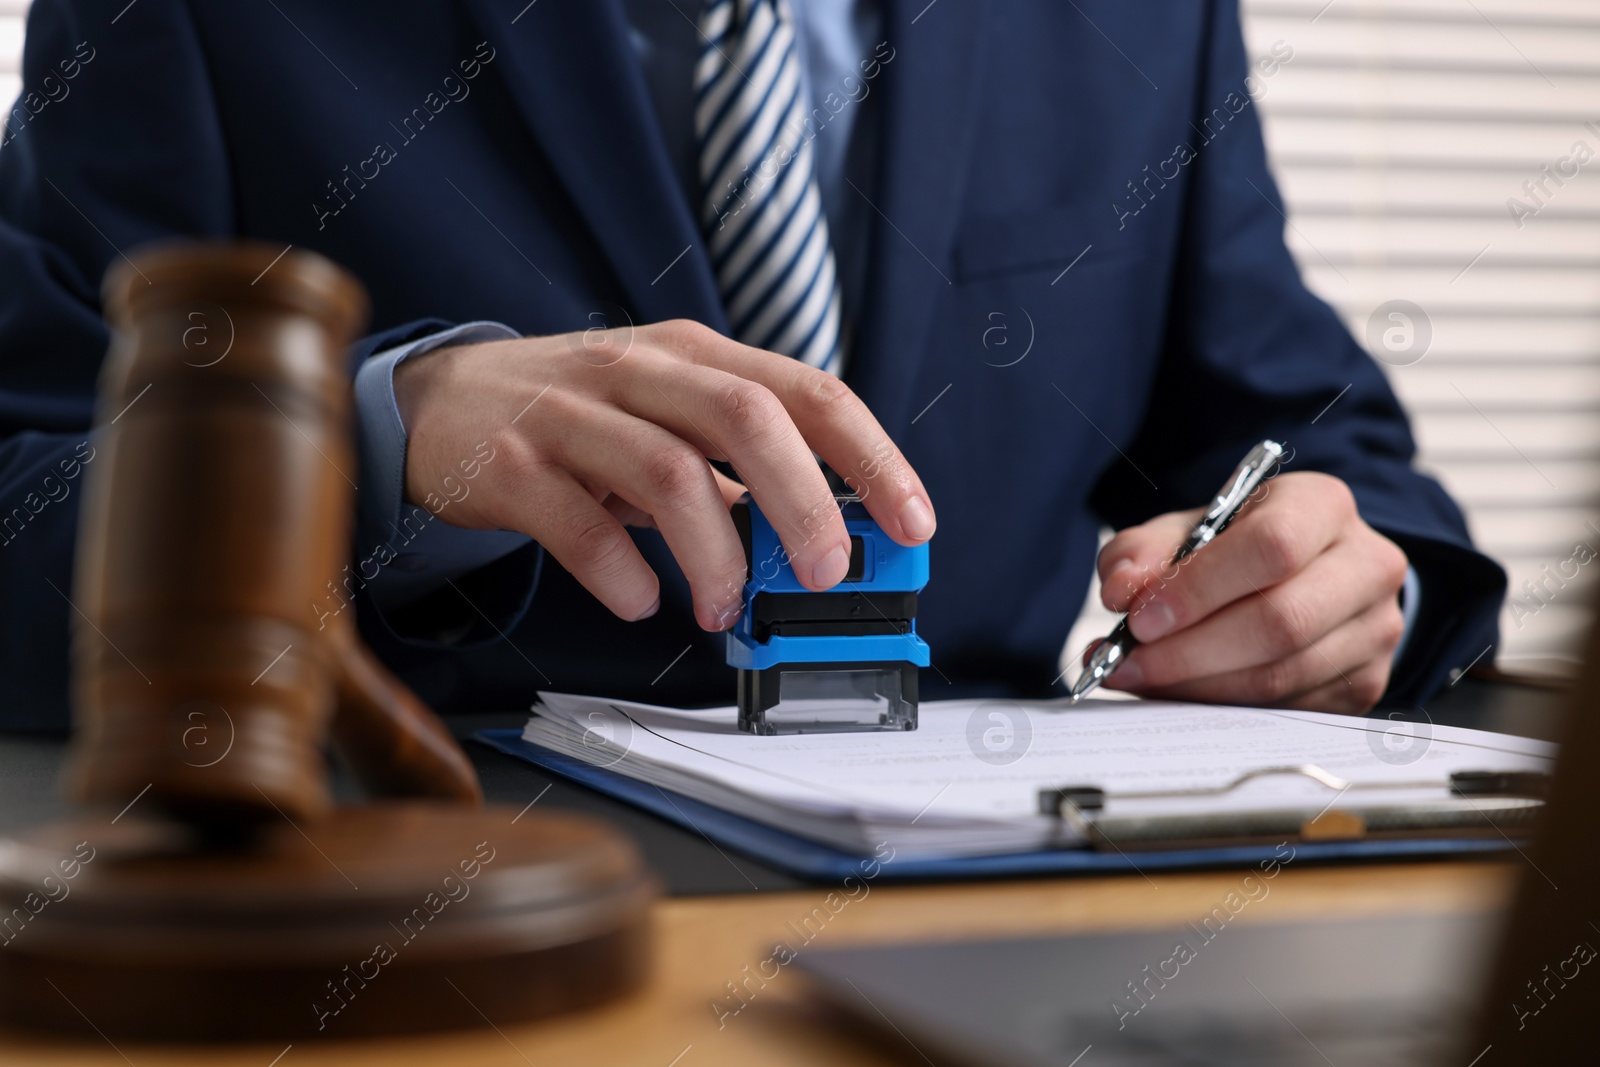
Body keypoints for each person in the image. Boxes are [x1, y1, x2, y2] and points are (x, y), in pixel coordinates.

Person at [0, 0, 1504, 732]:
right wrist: (370, 443)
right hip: (446, 925)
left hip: (1014, 926)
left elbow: (1311, 440)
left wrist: (1349, 587)